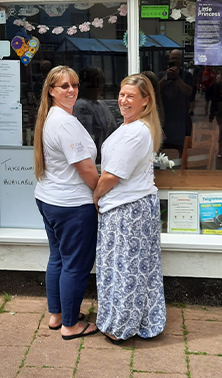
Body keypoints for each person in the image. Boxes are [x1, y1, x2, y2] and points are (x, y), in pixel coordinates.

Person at [93, 74, 166, 344]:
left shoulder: (136, 132)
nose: (124, 100)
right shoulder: (134, 126)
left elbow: (112, 176)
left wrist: (95, 196)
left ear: (145, 101)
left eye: (131, 96)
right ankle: (141, 320)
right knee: (133, 269)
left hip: (128, 209)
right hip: (129, 207)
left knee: (126, 269)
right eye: (122, 94)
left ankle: (121, 325)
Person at [33, 65, 100, 341]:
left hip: (49, 198)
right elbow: (85, 167)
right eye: (64, 86)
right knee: (76, 264)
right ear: (51, 91)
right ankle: (70, 325)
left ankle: (57, 314)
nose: (71, 90)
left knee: (58, 258)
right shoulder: (64, 123)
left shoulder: (52, 117)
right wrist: (100, 193)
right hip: (72, 205)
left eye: (74, 84)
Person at [73, 66, 116, 163]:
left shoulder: (102, 105)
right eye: (100, 81)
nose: (102, 85)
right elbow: (86, 137)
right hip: (94, 161)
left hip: (109, 159)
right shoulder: (81, 106)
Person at [159, 49, 193, 157]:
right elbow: (155, 90)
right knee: (159, 147)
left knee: (182, 147)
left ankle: (183, 169)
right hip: (165, 117)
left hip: (180, 118)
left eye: (177, 59)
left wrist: (177, 78)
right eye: (172, 58)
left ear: (181, 60)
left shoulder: (186, 75)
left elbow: (188, 92)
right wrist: (166, 78)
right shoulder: (161, 75)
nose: (174, 61)